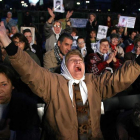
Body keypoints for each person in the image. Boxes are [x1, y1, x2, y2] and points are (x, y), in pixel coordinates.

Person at [1, 21, 140, 140]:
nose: (78, 62)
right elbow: (30, 70)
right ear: (64, 68)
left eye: (80, 60)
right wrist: (7, 42)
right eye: (72, 61)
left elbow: (119, 78)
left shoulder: (94, 82)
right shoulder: (53, 83)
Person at [0, 64, 41, 140]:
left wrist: (11, 135)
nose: (0, 90)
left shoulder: (26, 105)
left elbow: (34, 134)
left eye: (4, 85)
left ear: (12, 85)